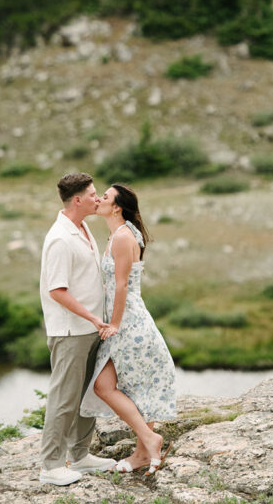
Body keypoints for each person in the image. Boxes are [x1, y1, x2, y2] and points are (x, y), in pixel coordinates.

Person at [81, 183, 176, 473]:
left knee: (103, 386)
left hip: (128, 321)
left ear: (117, 207)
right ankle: (143, 452)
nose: (99, 199)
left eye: (105, 197)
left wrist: (115, 324)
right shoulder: (117, 234)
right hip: (123, 318)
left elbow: (121, 284)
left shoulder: (123, 236)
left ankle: (149, 439)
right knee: (127, 386)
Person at [39, 172, 116, 486]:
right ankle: (51, 465)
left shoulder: (82, 227)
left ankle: (80, 455)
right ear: (78, 200)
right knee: (64, 397)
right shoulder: (59, 238)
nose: (98, 199)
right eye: (93, 194)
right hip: (70, 331)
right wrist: (93, 318)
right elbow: (57, 291)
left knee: (86, 394)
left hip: (90, 328)